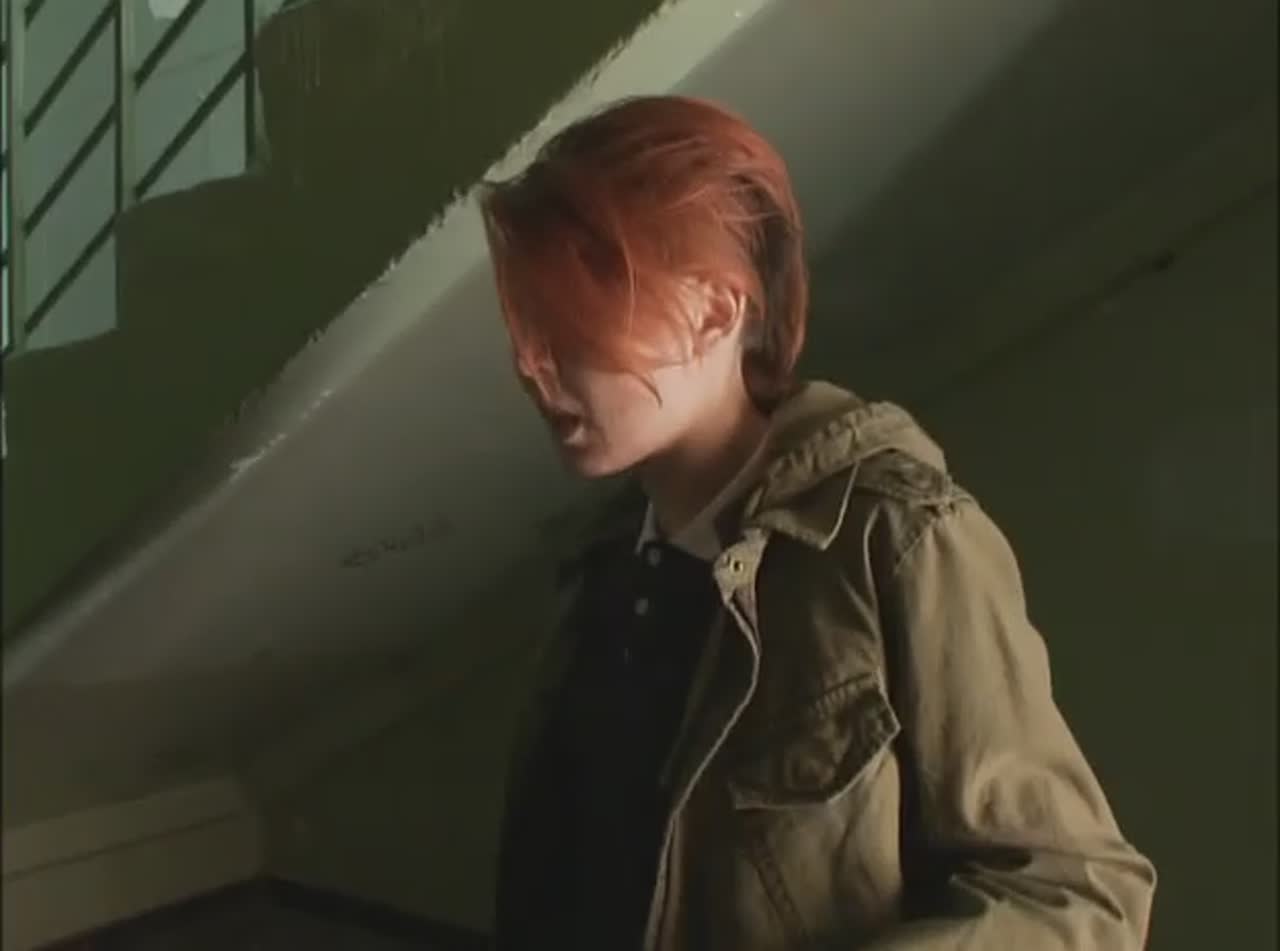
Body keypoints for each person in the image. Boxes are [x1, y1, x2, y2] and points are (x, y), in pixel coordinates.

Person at [479, 95, 1155, 950]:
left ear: (715, 311)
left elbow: (1080, 898)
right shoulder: (595, 578)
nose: (534, 369)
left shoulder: (895, 538)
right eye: (530, 331)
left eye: (572, 326)